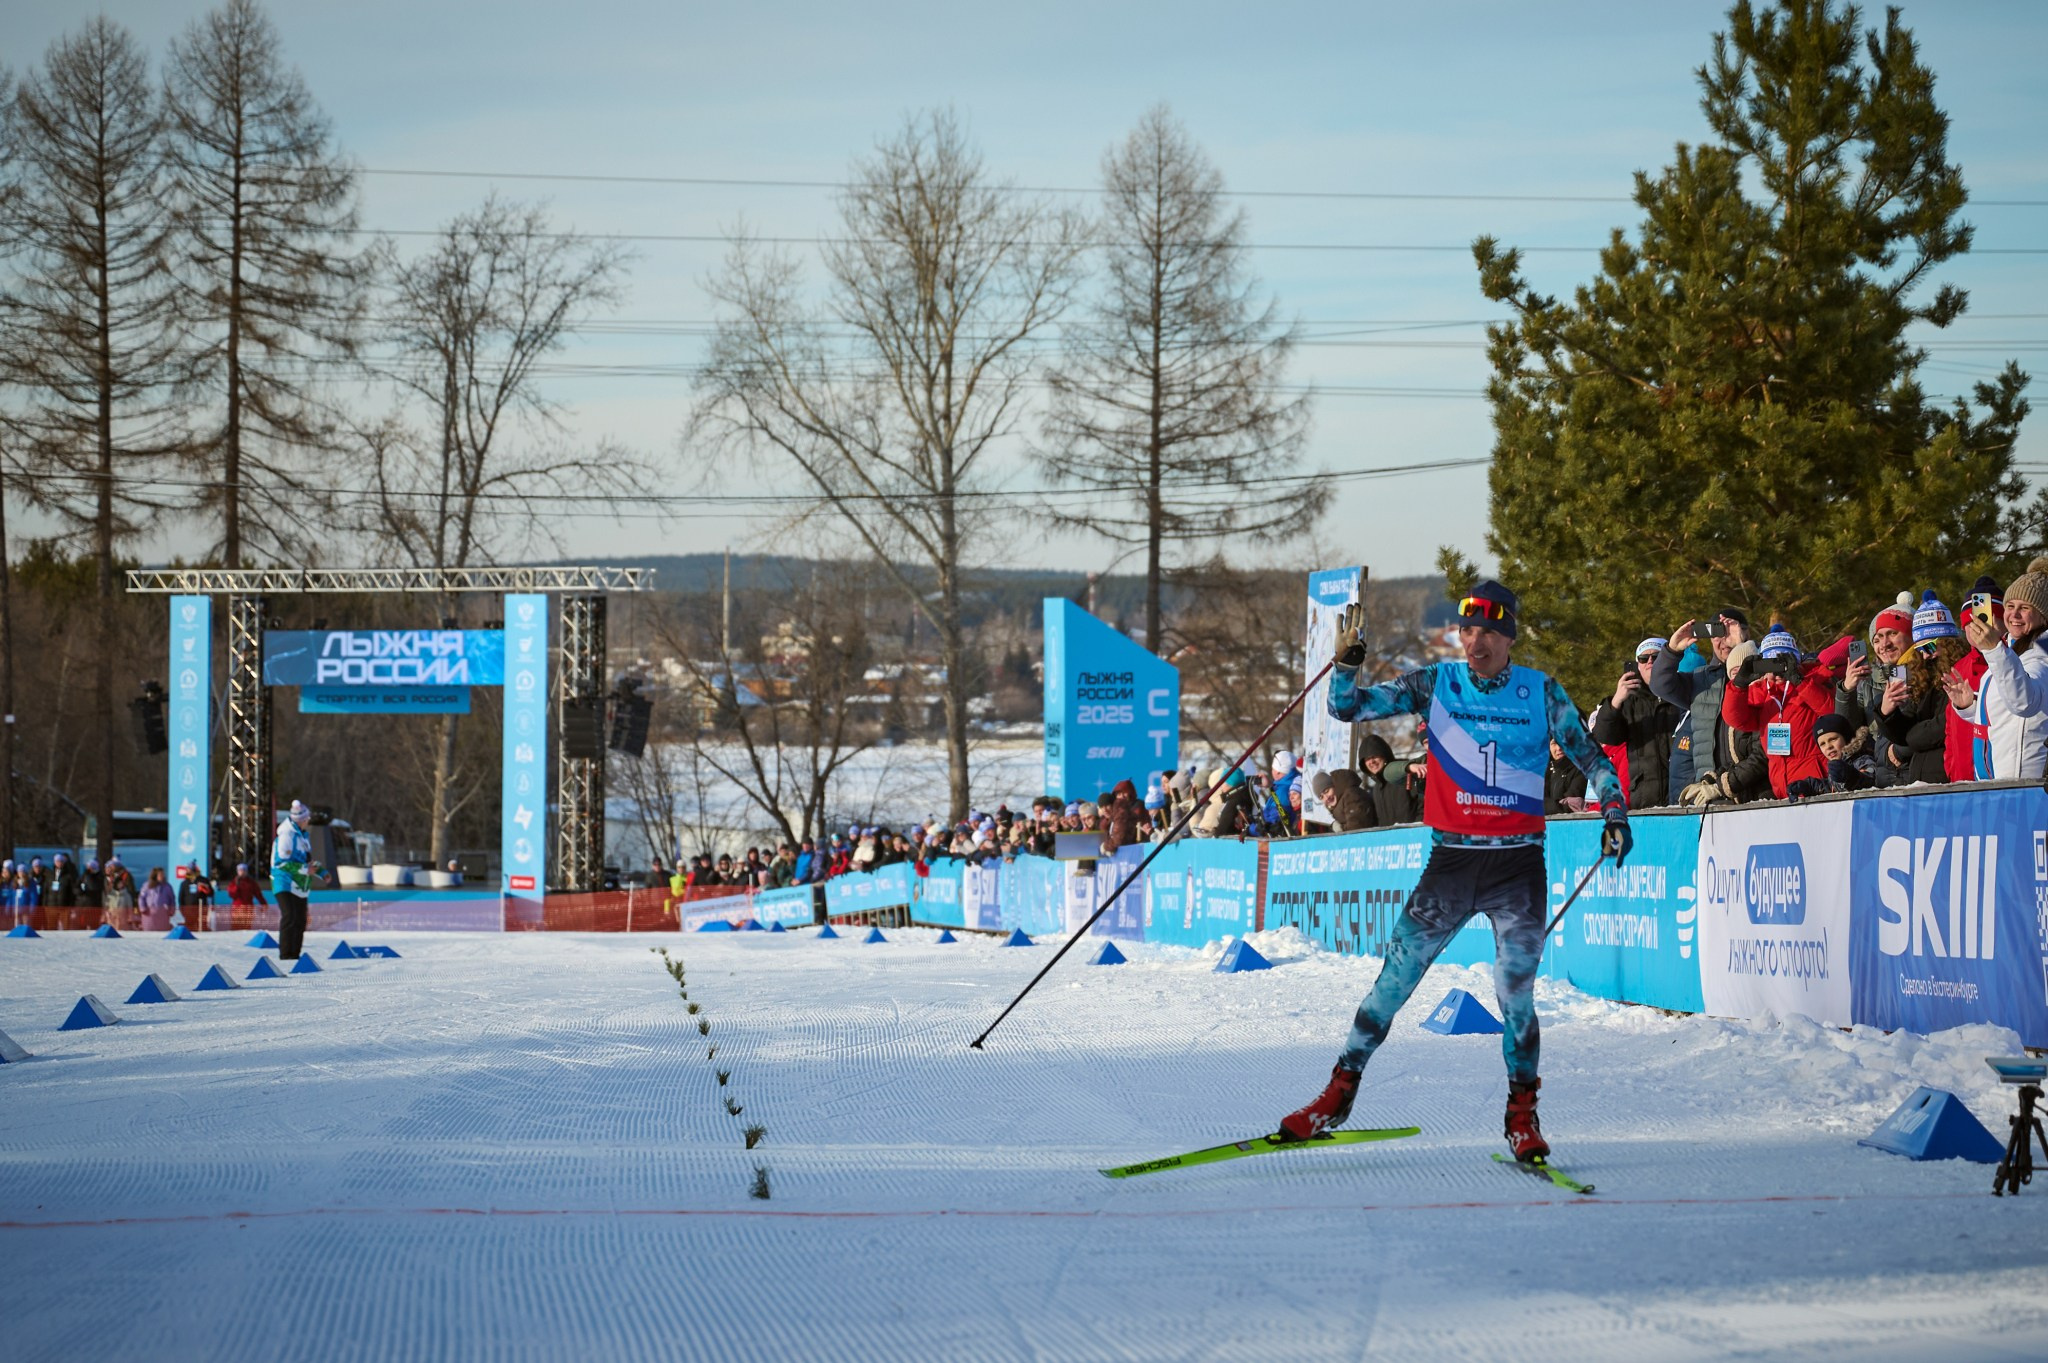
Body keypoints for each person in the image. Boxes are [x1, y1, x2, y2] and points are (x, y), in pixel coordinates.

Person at [1278, 580, 1628, 1163]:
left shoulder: (1540, 692)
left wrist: (1614, 811)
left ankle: (1522, 1113)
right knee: (1394, 980)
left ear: (1508, 635)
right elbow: (1347, 708)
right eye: (1467, 629)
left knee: (1515, 993)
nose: (1475, 641)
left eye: (1489, 630)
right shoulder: (1437, 682)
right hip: (1452, 862)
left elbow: (1592, 758)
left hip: (1516, 865)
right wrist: (1344, 666)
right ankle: (1338, 1093)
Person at [1722, 624, 1850, 799]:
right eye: (1770, 663)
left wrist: (1800, 682)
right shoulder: (1762, 692)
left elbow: (1832, 713)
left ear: (1794, 661)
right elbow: (1736, 719)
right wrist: (1738, 686)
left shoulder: (1815, 681)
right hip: (1782, 788)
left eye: (1781, 663)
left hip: (1818, 787)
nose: (1776, 672)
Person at [1959, 561, 2048, 780]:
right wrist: (1972, 705)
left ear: (2043, 616)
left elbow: (2024, 703)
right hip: (1999, 784)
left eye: (2025, 608)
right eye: (2010, 606)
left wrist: (1993, 649)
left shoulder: (2041, 658)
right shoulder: (2012, 652)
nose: (2014, 615)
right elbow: (2007, 715)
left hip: (2025, 789)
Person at [1879, 593, 1968, 786]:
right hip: (1921, 780)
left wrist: (1913, 736)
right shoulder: (1922, 675)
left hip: (1952, 778)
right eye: (1919, 650)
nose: (1925, 656)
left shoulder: (1962, 671)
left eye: (1928, 647)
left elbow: (1944, 724)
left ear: (1947, 642)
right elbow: (1902, 735)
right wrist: (1888, 712)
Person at [1590, 637, 1683, 808]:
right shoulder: (1628, 701)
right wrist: (1616, 701)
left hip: (1681, 792)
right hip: (1644, 795)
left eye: (1656, 657)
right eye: (1643, 658)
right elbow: (1605, 736)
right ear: (1637, 665)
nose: (1649, 662)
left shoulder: (1682, 690)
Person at [271, 799, 316, 959]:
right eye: (307, 819)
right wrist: (305, 869)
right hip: (283, 881)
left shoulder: (303, 836)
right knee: (289, 915)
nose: (308, 821)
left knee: (300, 919)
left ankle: (294, 954)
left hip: (299, 883)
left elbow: (306, 860)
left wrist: (322, 872)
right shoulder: (287, 834)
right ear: (301, 819)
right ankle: (285, 954)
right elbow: (281, 862)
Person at [1355, 734, 1420, 827]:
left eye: (1374, 756)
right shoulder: (1376, 790)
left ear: (1384, 755)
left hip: (1415, 838)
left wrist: (1418, 829)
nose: (1371, 761)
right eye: (1367, 759)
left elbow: (1424, 804)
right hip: (1390, 840)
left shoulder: (1406, 774)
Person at [138, 867, 176, 932]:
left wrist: (172, 910)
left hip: (163, 914)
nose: (162, 876)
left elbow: (172, 899)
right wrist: (143, 908)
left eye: (163, 874)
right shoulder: (147, 885)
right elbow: (141, 898)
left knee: (162, 932)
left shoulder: (167, 886)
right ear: (155, 876)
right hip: (149, 914)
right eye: (160, 875)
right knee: (149, 931)